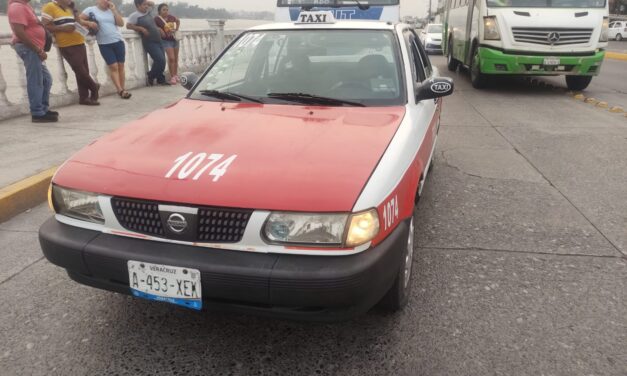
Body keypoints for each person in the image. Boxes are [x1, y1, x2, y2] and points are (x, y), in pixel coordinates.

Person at [42, 0, 100, 105]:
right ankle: (94, 87)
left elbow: (78, 22)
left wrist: (75, 10)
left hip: (79, 41)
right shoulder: (50, 6)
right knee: (79, 69)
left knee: (83, 71)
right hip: (66, 44)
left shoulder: (70, 8)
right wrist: (63, 28)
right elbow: (45, 26)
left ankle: (83, 98)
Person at [8, 0, 58, 122]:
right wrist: (37, 50)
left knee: (46, 79)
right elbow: (19, 32)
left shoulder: (25, 6)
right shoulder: (17, 6)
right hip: (28, 48)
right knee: (36, 80)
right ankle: (37, 113)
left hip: (34, 48)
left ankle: (43, 109)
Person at [80, 0, 131, 99]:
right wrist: (88, 23)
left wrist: (114, 10)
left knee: (121, 66)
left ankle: (122, 89)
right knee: (113, 66)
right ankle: (120, 89)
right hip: (104, 43)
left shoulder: (111, 10)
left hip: (118, 40)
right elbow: (78, 19)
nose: (106, 1)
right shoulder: (91, 10)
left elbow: (121, 24)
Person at [127, 0, 169, 86]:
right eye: (144, 5)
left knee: (163, 61)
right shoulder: (134, 16)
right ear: (137, 6)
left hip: (158, 40)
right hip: (149, 41)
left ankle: (160, 79)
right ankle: (150, 75)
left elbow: (153, 4)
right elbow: (128, 25)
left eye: (146, 5)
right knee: (160, 60)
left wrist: (146, 2)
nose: (146, 6)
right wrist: (141, 29)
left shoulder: (148, 12)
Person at [154, 3, 180, 85]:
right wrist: (159, 29)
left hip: (175, 39)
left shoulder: (171, 17)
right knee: (171, 58)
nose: (166, 11)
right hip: (166, 41)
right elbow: (154, 27)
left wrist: (176, 29)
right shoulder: (157, 19)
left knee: (175, 58)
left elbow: (178, 20)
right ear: (159, 11)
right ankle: (172, 76)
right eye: (164, 9)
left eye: (167, 9)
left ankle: (175, 75)